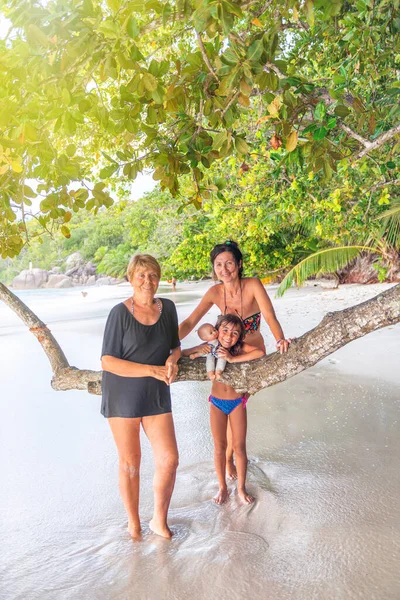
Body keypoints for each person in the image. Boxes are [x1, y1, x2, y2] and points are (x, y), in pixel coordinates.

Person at [179, 240, 291, 479]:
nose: (224, 269)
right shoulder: (214, 292)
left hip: (251, 355)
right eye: (219, 264)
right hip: (226, 354)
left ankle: (231, 455)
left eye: (229, 263)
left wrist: (280, 339)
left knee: (240, 402)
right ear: (214, 268)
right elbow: (190, 322)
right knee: (227, 403)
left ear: (239, 264)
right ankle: (227, 457)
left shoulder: (252, 285)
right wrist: (168, 343)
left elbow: (269, 316)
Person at [101, 254, 181, 540]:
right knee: (131, 463)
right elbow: (108, 362)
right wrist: (151, 369)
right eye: (141, 275)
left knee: (169, 459)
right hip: (123, 394)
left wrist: (173, 360)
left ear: (159, 278)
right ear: (131, 278)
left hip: (156, 391)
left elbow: (175, 346)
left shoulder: (168, 308)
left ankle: (159, 521)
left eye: (153, 275)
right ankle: (133, 524)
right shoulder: (119, 313)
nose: (148, 281)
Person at [182, 314, 264, 504]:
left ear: (240, 337)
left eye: (235, 333)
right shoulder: (210, 348)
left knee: (239, 447)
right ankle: (222, 487)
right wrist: (197, 349)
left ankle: (241, 488)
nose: (229, 336)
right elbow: (185, 353)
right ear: (217, 331)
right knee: (219, 447)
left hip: (237, 402)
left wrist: (232, 359)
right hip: (217, 402)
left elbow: (259, 353)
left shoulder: (238, 349)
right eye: (225, 331)